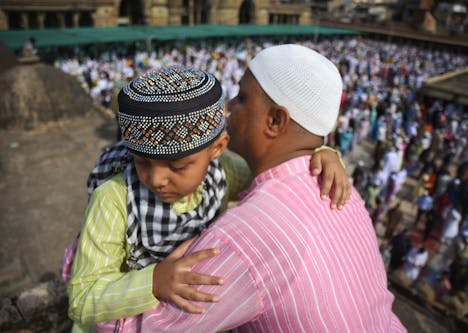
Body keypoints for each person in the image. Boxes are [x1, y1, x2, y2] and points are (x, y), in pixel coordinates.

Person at [98, 44, 406, 332]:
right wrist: (326, 150)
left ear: (275, 120)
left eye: (242, 98)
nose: (229, 107)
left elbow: (140, 327)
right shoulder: (341, 190)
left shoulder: (248, 232)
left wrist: (97, 244)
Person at [65, 66, 350, 331]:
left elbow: (272, 174)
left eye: (178, 166)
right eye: (142, 162)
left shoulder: (223, 172)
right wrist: (152, 281)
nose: (156, 179)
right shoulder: (114, 198)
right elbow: (81, 299)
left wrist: (319, 155)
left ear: (217, 149)